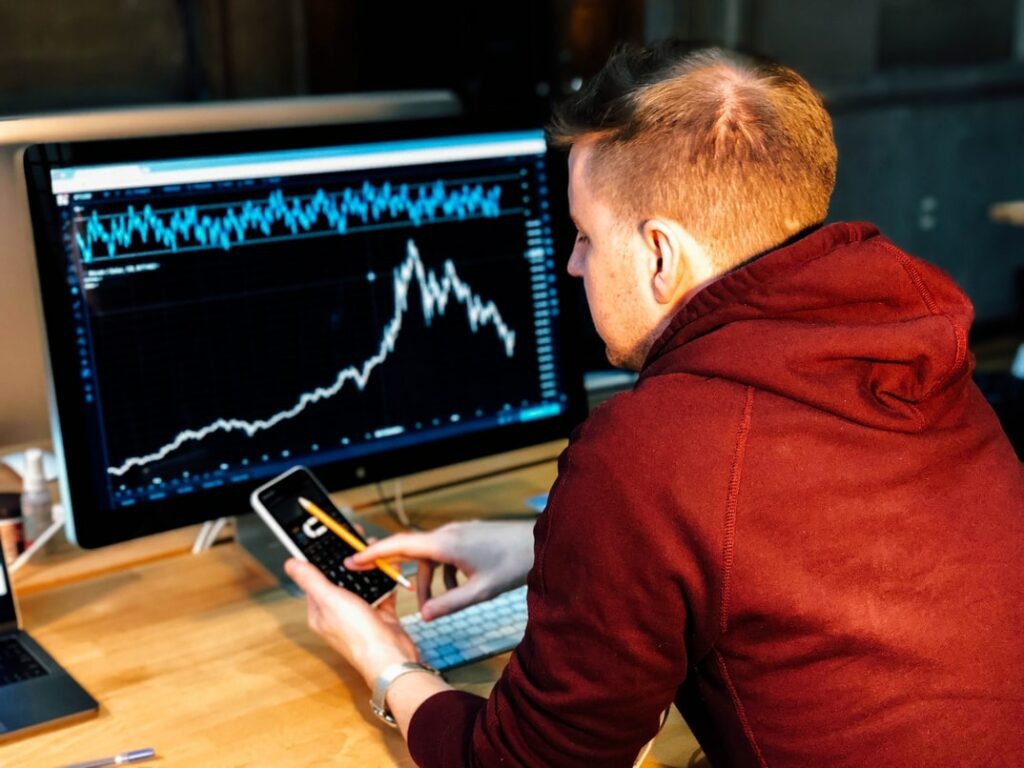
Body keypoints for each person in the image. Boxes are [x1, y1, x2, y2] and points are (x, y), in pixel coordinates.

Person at [285, 42, 1024, 767]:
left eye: (585, 236)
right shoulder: (915, 350)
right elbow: (793, 539)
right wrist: (549, 547)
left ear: (661, 255)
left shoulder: (654, 449)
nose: (573, 263)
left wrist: (384, 662)